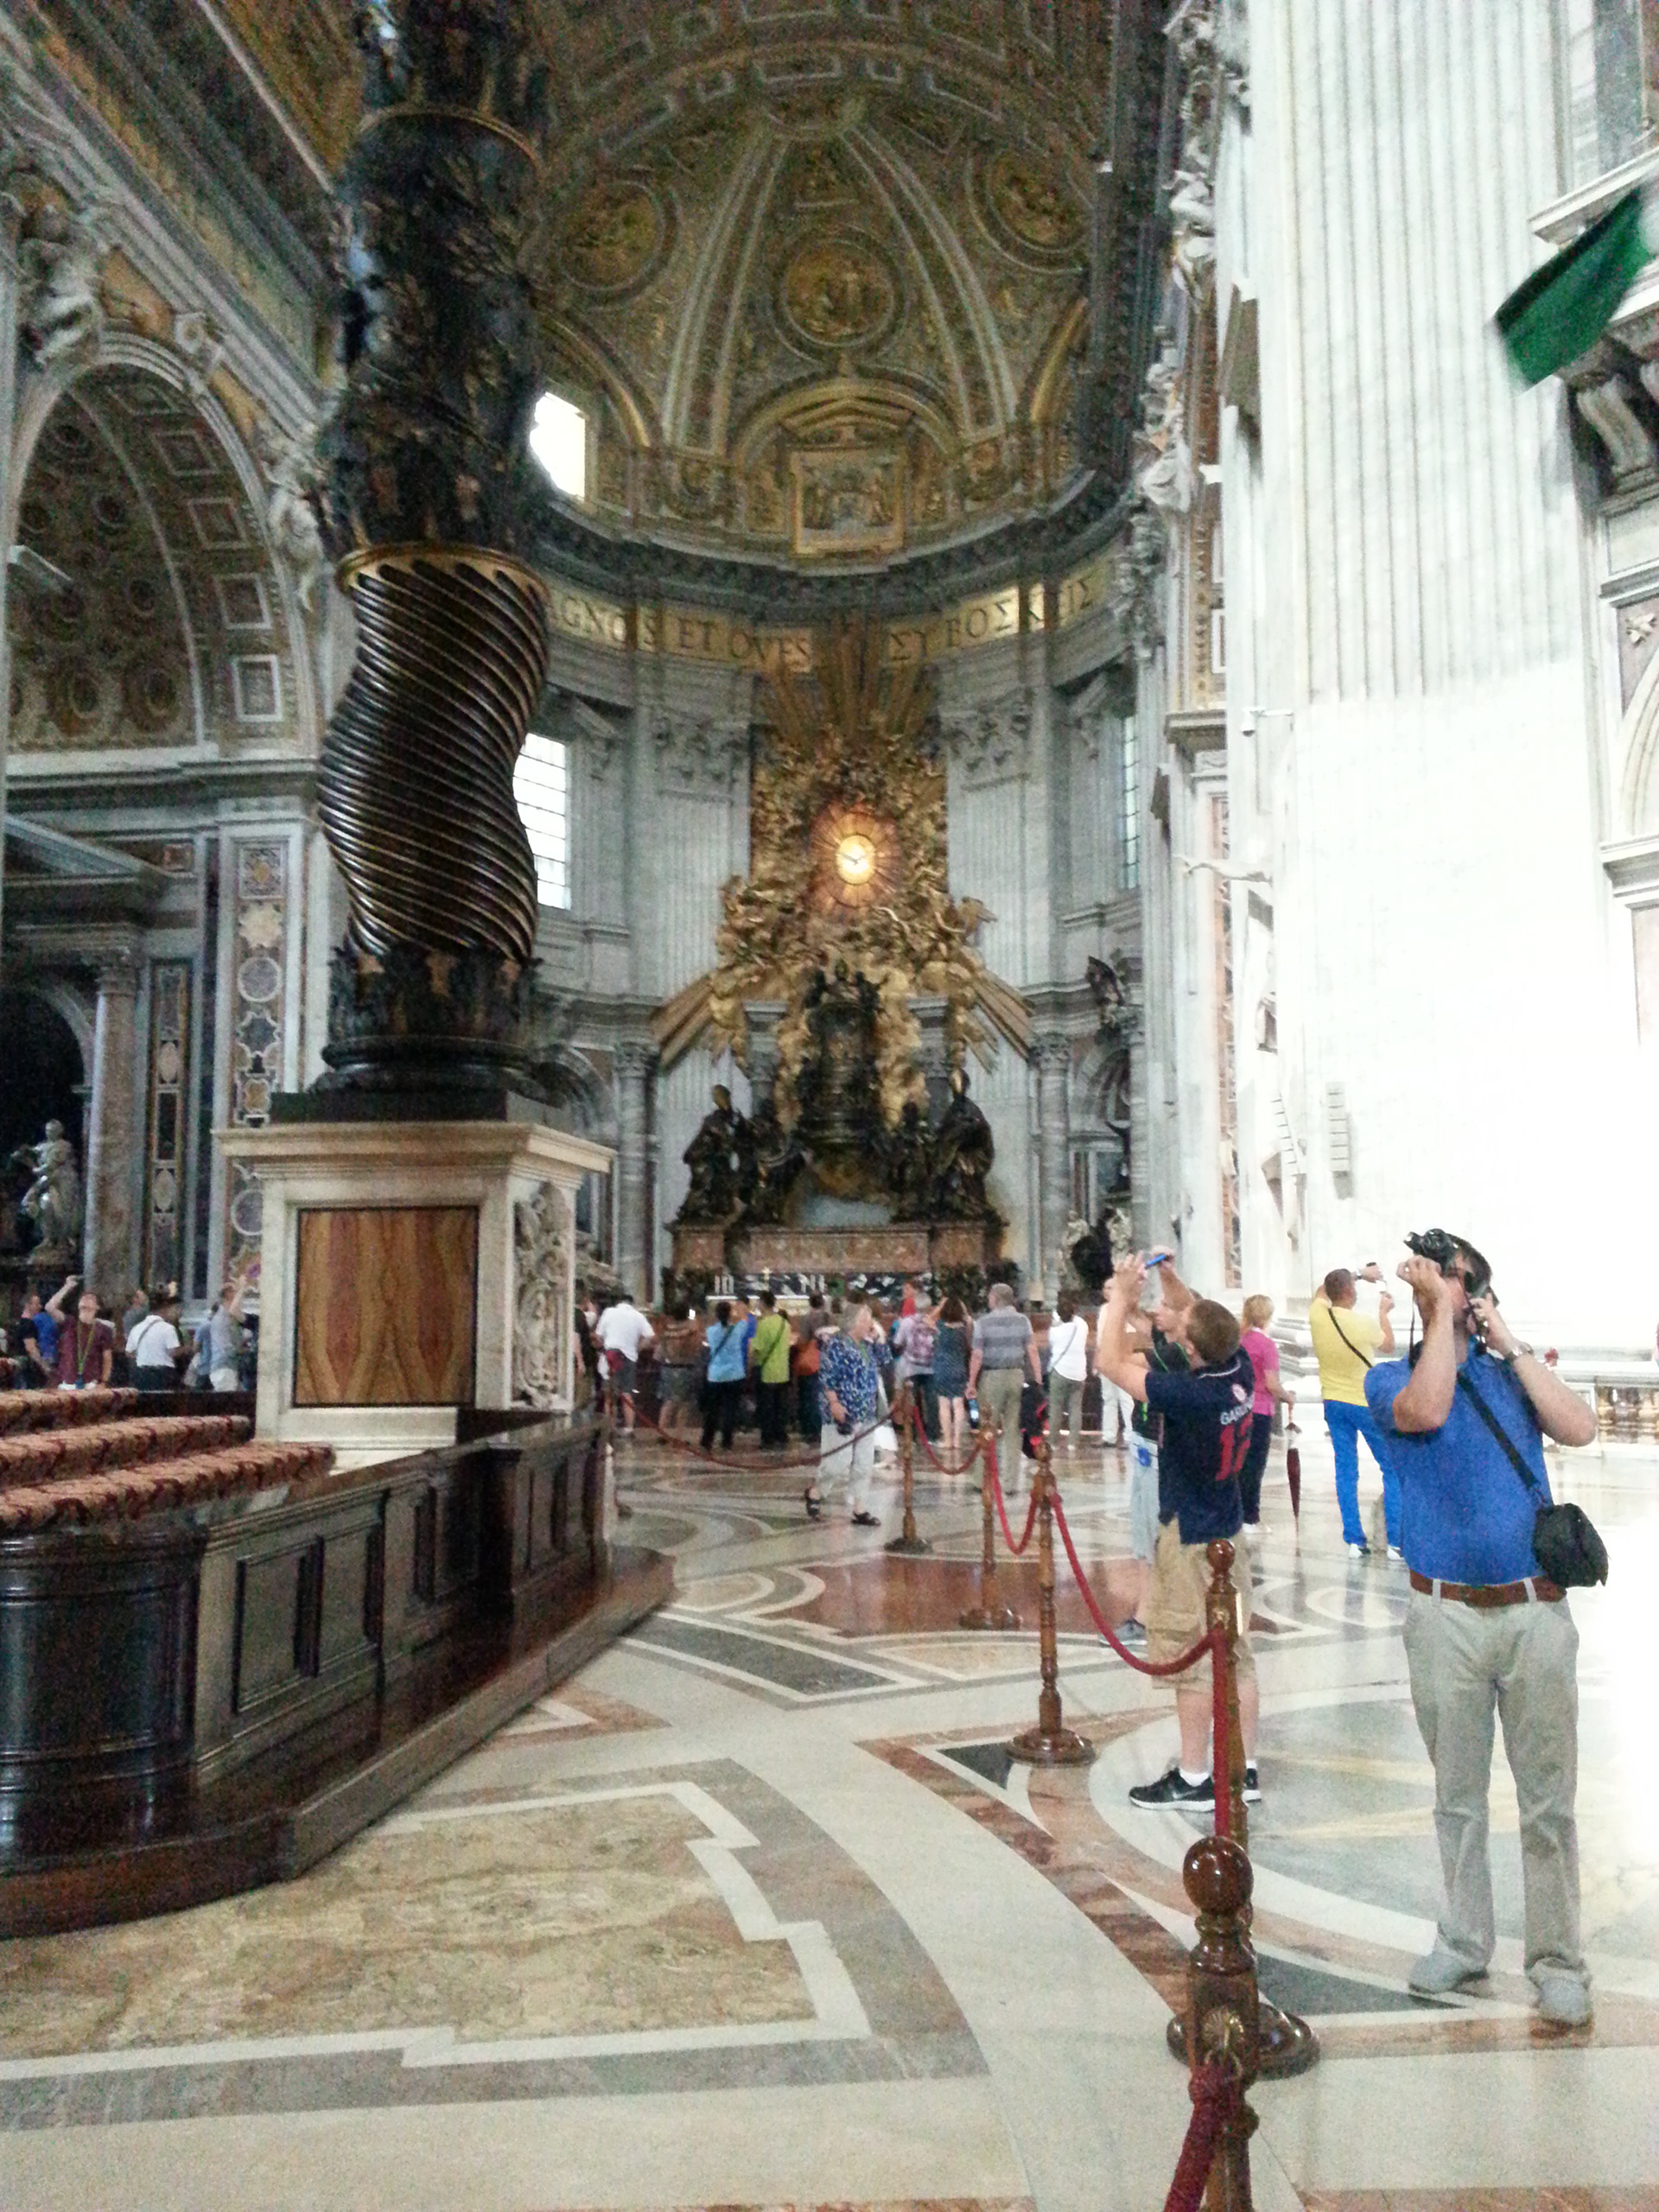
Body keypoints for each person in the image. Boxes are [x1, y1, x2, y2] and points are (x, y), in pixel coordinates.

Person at [1365, 1233, 1598, 2026]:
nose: (1446, 1290)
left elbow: (1581, 1427)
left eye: (1457, 1280)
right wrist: (1438, 1317)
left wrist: (1511, 1342)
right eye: (1442, 1281)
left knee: (1548, 1804)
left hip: (1534, 1613)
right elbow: (1427, 1409)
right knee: (1457, 1800)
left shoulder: (1509, 1376)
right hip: (1445, 1618)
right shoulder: (1389, 1376)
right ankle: (1465, 1944)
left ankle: (1559, 1962)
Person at [1097, 1253, 1259, 1808]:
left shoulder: (1191, 1396)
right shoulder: (1239, 1369)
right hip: (1230, 1535)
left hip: (1191, 1538)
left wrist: (1121, 1295)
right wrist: (1167, 1280)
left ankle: (1193, 1778)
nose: (1173, 1316)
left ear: (1190, 1349)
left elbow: (1110, 1362)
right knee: (1236, 1652)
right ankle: (1246, 1769)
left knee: (1193, 1657)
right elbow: (1199, 1315)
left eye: (1179, 1323)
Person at [1309, 1263, 1399, 1556]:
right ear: (1349, 1292)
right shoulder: (1363, 1324)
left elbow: (1322, 1290)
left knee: (1345, 1469)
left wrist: (1358, 1273)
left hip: (1333, 1403)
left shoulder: (1318, 1315)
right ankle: (1397, 1540)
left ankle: (1354, 1539)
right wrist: (1384, 1312)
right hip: (1363, 1402)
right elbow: (1388, 1346)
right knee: (1391, 1467)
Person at [806, 1299, 884, 1526]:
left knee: (863, 1462)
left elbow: (886, 1358)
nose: (871, 1322)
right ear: (854, 1322)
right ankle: (815, 1492)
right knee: (837, 1462)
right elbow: (827, 1378)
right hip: (842, 1412)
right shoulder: (836, 1345)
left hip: (866, 1412)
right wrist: (834, 1404)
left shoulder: (867, 1345)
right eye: (867, 1318)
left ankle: (860, 1508)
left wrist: (877, 1337)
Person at [967, 1282, 1041, 1490]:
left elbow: (978, 1355)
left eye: (990, 1296)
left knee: (987, 1427)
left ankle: (981, 1479)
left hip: (992, 1377)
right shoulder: (1023, 1321)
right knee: (1013, 1429)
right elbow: (1032, 1349)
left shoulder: (984, 1322)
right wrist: (1037, 1378)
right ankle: (1010, 1482)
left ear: (996, 1298)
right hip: (1017, 1376)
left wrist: (972, 1383)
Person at [1237, 1294, 1295, 1541]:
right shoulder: (1266, 1345)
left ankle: (1238, 1514)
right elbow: (1271, 1383)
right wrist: (1287, 1396)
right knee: (1255, 1466)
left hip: (1238, 1408)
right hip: (1260, 1410)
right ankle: (1250, 1517)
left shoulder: (1239, 1341)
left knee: (1239, 1463)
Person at [595, 1292, 655, 1433]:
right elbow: (651, 1337)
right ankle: (629, 1427)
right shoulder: (638, 1316)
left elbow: (598, 1336)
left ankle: (609, 1427)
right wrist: (637, 1348)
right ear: (632, 1304)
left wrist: (604, 1347)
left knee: (609, 1395)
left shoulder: (609, 1312)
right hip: (629, 1357)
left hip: (611, 1356)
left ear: (618, 1302)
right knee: (627, 1394)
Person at [46, 1277, 114, 1389]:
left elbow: (107, 1357)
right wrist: (67, 1287)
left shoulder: (103, 1329)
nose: (86, 1299)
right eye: (83, 1298)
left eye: (91, 1298)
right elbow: (50, 1307)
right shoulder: (69, 1322)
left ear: (98, 1307)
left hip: (91, 1382)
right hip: (68, 1382)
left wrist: (104, 1382)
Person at [699, 1300, 747, 1451]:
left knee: (713, 1409)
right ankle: (727, 1440)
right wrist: (740, 1309)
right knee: (730, 1409)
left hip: (716, 1375)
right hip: (735, 1374)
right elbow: (745, 1317)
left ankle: (707, 1439)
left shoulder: (711, 1331)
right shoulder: (739, 1329)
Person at [1047, 1293, 1090, 1452]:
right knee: (1075, 1408)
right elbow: (1077, 1322)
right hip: (1079, 1372)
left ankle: (1053, 1441)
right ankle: (1073, 1443)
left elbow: (1052, 1345)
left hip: (1059, 1371)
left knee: (1056, 1408)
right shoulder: (1083, 1325)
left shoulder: (1055, 1331)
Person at [749, 1290, 793, 1449]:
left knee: (767, 1407)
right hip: (783, 1371)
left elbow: (756, 1349)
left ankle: (767, 1438)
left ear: (762, 1303)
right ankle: (781, 1435)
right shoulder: (785, 1323)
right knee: (781, 1407)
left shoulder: (763, 1324)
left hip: (767, 1372)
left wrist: (750, 1365)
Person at [931, 1295, 972, 1464]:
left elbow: (928, 1318)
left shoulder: (939, 1326)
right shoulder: (965, 1327)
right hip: (959, 1366)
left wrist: (941, 1306)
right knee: (958, 1403)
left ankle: (947, 1440)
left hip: (941, 1367)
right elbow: (969, 1341)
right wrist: (963, 1309)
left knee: (944, 1404)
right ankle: (957, 1440)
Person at [657, 1300, 704, 1439]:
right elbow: (698, 1348)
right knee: (684, 1405)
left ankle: (662, 1433)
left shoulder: (666, 1330)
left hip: (668, 1367)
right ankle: (678, 1436)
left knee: (668, 1403)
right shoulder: (691, 1330)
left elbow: (660, 1351)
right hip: (686, 1368)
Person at [125, 1286, 184, 1392]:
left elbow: (129, 1352)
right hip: (163, 1374)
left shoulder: (137, 1328)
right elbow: (173, 1352)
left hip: (141, 1374)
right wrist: (186, 1349)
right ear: (165, 1309)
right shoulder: (168, 1329)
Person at [894, 1297, 938, 1440]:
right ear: (930, 1307)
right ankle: (932, 1434)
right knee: (931, 1401)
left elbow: (898, 1342)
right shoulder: (934, 1322)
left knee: (911, 1400)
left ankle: (911, 1432)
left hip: (911, 1366)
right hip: (930, 1367)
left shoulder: (907, 1322)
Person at [197, 1281, 247, 1392]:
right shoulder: (224, 1317)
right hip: (224, 1368)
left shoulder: (222, 1317)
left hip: (225, 1367)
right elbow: (228, 1349)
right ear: (228, 1294)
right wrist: (242, 1288)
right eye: (235, 1293)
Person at [793, 1293, 824, 1440]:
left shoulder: (807, 1318)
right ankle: (821, 1428)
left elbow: (803, 1341)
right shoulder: (830, 1317)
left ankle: (810, 1429)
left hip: (811, 1362)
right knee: (821, 1395)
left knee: (809, 1396)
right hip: (826, 1360)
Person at [16, 1289, 57, 1387]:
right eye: (37, 1304)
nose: (40, 1307)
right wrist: (45, 1367)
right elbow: (31, 1348)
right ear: (27, 1306)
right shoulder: (28, 1324)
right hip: (26, 1369)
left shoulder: (19, 1323)